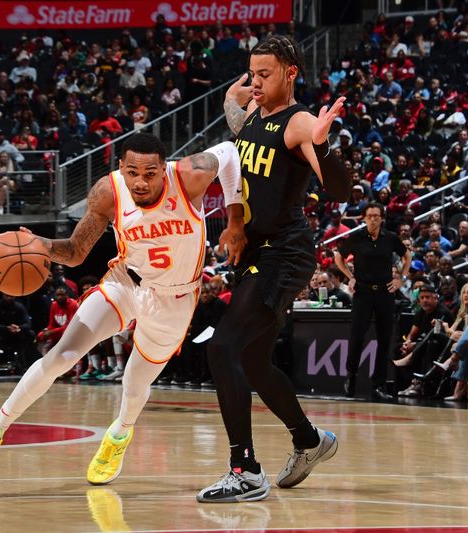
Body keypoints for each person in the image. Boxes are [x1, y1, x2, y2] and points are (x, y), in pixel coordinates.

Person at [0, 132, 244, 487]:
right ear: (121, 167)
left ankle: (118, 435)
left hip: (174, 299)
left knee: (134, 384)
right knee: (61, 355)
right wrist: (41, 245)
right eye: (132, 171)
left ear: (164, 169)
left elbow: (229, 151)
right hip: (125, 282)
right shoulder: (109, 191)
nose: (141, 181)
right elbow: (75, 251)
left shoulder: (190, 174)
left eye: (150, 173)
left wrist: (235, 217)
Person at [197, 34, 350, 503]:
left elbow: (341, 191)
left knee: (223, 348)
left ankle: (244, 470)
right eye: (252, 75)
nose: (256, 83)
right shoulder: (252, 120)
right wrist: (230, 100)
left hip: (285, 252)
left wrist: (323, 147)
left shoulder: (300, 123)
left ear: (290, 74)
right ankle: (309, 441)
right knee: (253, 363)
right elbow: (239, 165)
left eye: (265, 75)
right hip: (257, 249)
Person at [335, 202, 411, 401]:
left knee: (385, 339)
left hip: (385, 292)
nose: (373, 219)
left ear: (382, 218)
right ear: (364, 218)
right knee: (357, 336)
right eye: (370, 216)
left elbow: (407, 256)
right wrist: (349, 277)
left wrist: (400, 278)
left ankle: (378, 385)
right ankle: (351, 377)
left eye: (377, 216)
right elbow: (338, 258)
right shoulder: (357, 237)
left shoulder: (390, 238)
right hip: (363, 292)